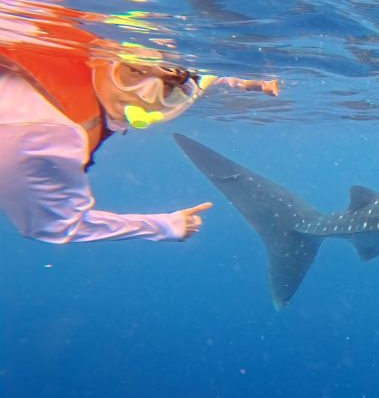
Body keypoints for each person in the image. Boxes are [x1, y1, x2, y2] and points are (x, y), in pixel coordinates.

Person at [0, 34, 279, 244]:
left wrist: (243, 82)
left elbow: (196, 81)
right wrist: (166, 226)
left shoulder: (75, 65)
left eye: (167, 86)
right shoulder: (51, 132)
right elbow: (53, 224)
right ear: (102, 62)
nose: (146, 96)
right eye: (134, 72)